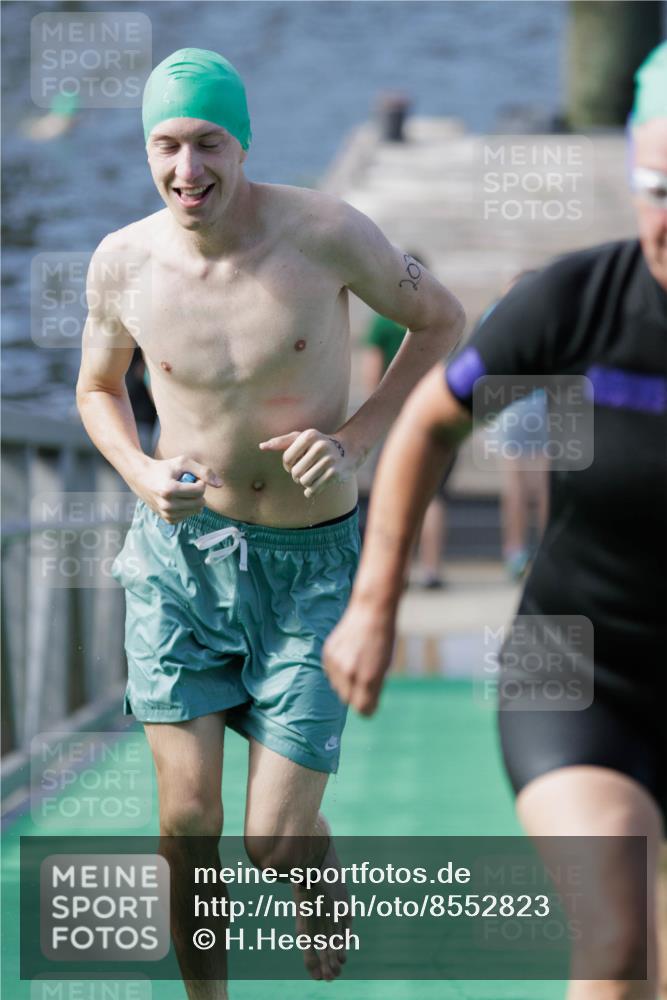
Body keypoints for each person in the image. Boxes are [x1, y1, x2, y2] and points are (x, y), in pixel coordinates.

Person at [75, 48, 464, 996]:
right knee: (186, 818)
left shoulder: (326, 231)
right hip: (178, 561)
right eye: (165, 146)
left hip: (311, 568)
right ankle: (206, 992)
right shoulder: (122, 260)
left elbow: (444, 321)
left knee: (272, 838)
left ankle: (312, 873)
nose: (186, 170)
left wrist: (359, 439)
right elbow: (95, 389)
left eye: (208, 143)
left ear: (242, 142)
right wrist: (137, 470)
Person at [324, 41, 667, 1000]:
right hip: (576, 666)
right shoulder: (573, 305)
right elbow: (430, 423)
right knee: (616, 938)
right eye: (656, 188)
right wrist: (373, 603)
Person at [361, 256, 454, 588]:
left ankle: (394, 573)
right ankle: (432, 570)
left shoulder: (383, 322)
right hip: (435, 417)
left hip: (397, 420)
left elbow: (372, 375)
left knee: (390, 495)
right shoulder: (441, 316)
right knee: (433, 496)